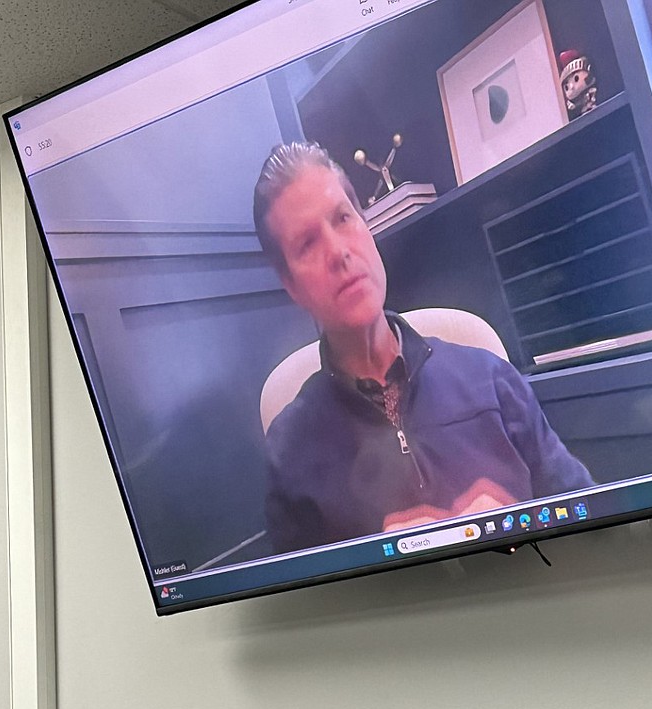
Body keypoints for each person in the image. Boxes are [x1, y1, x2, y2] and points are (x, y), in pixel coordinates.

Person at [253, 142, 592, 553]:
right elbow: (310, 611)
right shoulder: (290, 452)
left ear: (366, 226)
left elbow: (589, 523)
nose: (338, 252)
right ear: (292, 287)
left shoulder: (491, 379)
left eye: (343, 219)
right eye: (307, 244)